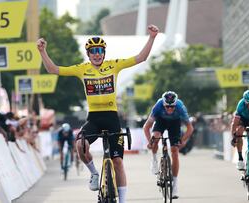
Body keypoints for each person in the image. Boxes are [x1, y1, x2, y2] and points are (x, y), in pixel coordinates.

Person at [37, 24, 159, 203]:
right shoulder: (82, 69)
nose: (97, 54)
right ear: (88, 54)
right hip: (93, 118)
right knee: (80, 145)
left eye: (100, 50)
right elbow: (53, 69)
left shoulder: (114, 65)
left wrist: (152, 37)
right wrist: (42, 51)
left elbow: (141, 58)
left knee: (117, 162)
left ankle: (123, 200)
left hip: (112, 118)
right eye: (93, 51)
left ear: (104, 53)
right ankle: (94, 173)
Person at [142, 91, 193, 199]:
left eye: (172, 107)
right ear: (163, 104)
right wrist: (150, 142)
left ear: (175, 104)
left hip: (175, 123)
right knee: (155, 137)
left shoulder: (180, 107)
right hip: (161, 121)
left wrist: (182, 140)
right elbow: (146, 127)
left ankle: (175, 185)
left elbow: (190, 128)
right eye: (167, 107)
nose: (170, 109)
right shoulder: (158, 106)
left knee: (175, 151)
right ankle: (154, 159)